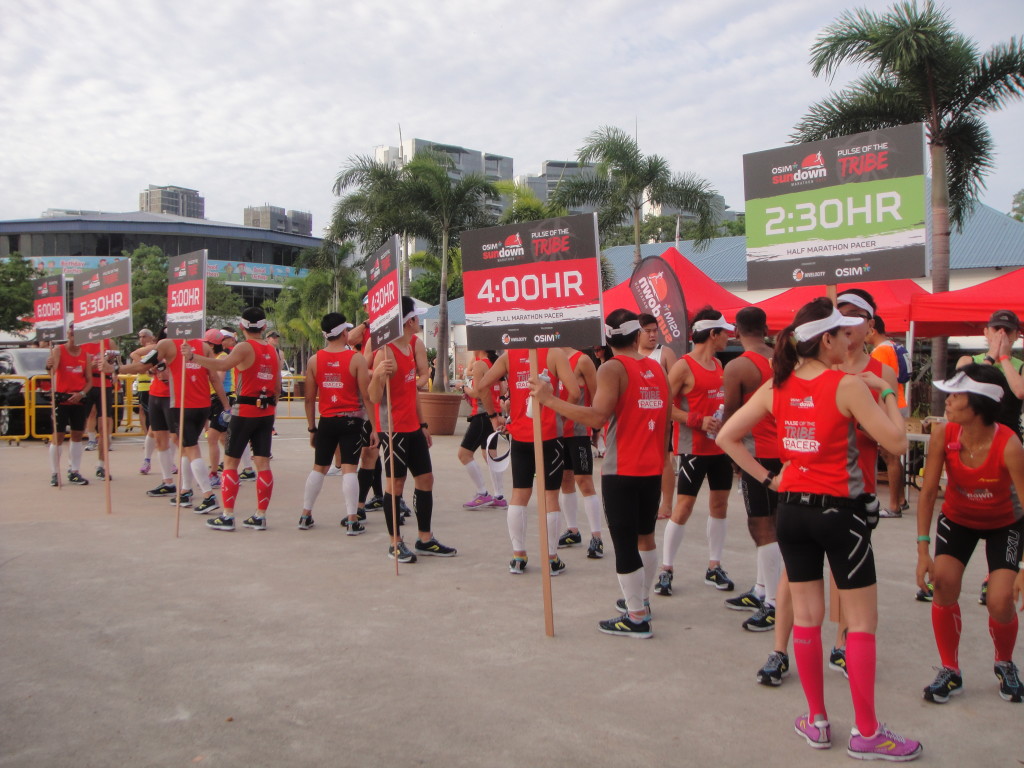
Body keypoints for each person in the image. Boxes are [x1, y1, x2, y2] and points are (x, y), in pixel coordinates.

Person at [717, 297, 921, 761]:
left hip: (791, 512)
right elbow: (897, 443)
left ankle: (817, 721)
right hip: (840, 515)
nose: (851, 341)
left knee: (806, 619)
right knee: (862, 622)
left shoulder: (777, 386)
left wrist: (770, 477)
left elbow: (727, 436)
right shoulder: (847, 386)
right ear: (825, 339)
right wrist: (886, 393)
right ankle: (867, 732)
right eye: (843, 334)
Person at [531, 309, 669, 637]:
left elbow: (596, 418)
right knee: (645, 537)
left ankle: (636, 617)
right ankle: (643, 601)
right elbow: (665, 425)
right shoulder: (657, 368)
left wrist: (550, 400)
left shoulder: (612, 367)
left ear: (607, 340)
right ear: (637, 335)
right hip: (651, 467)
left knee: (624, 543)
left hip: (622, 469)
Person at [916, 364, 1024, 704]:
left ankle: (1004, 663)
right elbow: (929, 491)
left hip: (1004, 523)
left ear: (979, 403)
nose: (947, 401)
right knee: (944, 584)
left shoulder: (1009, 445)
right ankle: (950, 670)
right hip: (958, 519)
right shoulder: (942, 435)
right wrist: (922, 550)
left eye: (956, 395)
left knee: (1000, 600)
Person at [475, 343, 579, 575]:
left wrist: (494, 416)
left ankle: (518, 556)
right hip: (549, 434)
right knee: (550, 495)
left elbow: (482, 386)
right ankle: (551, 558)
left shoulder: (510, 355)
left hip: (520, 434)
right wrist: (561, 414)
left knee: (520, 494)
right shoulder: (555, 353)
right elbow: (575, 391)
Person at [367, 297, 456, 562]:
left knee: (426, 479)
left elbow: (412, 393)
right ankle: (395, 543)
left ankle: (425, 538)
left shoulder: (410, 348)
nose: (418, 321)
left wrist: (423, 425)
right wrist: (379, 374)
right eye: (416, 317)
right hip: (393, 429)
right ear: (409, 321)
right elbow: (373, 397)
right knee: (395, 483)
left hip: (412, 427)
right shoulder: (385, 353)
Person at [655, 307, 734, 597]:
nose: (728, 337)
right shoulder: (684, 366)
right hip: (693, 449)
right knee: (684, 508)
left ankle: (714, 566)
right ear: (712, 334)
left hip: (720, 447)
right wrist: (696, 420)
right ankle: (666, 570)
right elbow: (664, 405)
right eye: (724, 332)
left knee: (720, 506)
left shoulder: (720, 365)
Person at [183, 307, 280, 531]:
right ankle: (260, 515)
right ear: (264, 327)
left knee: (230, 463)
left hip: (244, 410)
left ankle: (227, 515)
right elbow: (276, 387)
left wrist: (193, 357)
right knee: (262, 463)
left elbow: (223, 365)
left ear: (241, 326)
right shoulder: (272, 350)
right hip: (265, 412)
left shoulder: (244, 346)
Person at [721, 306, 782, 632]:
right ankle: (762, 589)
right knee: (772, 524)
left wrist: (733, 454)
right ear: (766, 327)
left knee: (762, 526)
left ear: (735, 330)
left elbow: (731, 414)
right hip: (784, 451)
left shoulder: (739, 367)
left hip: (757, 454)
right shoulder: (782, 360)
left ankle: (773, 602)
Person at [299, 313, 375, 533]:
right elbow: (367, 396)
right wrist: (375, 428)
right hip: (352, 420)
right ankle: (352, 520)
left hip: (327, 420)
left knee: (319, 468)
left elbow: (308, 398)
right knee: (350, 469)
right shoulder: (356, 358)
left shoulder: (315, 360)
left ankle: (306, 514)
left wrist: (312, 427)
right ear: (344, 332)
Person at [555, 347, 605, 559]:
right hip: (556, 431)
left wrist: (597, 430)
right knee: (565, 480)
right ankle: (573, 530)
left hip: (578, 430)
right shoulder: (548, 358)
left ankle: (597, 537)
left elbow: (597, 396)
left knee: (584, 482)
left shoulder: (582, 360)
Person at [867, 315, 911, 516]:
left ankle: (893, 506)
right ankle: (901, 499)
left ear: (872, 330)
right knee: (894, 456)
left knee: (890, 456)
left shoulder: (880, 351)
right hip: (899, 402)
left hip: (888, 405)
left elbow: (877, 381)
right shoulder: (894, 346)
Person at [637, 313, 678, 520]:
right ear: (639, 332)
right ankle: (643, 501)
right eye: (648, 331)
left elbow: (675, 387)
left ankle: (667, 504)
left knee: (663, 458)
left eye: (655, 330)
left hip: (660, 414)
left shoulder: (665, 353)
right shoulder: (632, 353)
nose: (653, 335)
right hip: (637, 416)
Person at [458, 350, 507, 509]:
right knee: (490, 455)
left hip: (481, 414)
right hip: (492, 412)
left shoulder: (480, 364)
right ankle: (499, 496)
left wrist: (463, 387)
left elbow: (478, 392)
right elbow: (503, 389)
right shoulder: (495, 364)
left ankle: (483, 493)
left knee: (464, 454)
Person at [44, 323, 91, 486]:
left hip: (78, 399)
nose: (74, 334)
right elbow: (53, 370)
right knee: (58, 436)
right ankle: (55, 473)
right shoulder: (59, 350)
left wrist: (81, 394)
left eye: (77, 332)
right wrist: (48, 365)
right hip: (61, 399)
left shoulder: (86, 355)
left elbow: (89, 381)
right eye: (72, 331)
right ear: (68, 333)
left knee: (77, 435)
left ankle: (74, 471)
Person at [131, 328, 156, 472]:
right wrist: (143, 365)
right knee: (144, 412)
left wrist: (144, 365)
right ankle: (148, 438)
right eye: (139, 337)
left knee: (152, 417)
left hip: (152, 386)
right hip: (143, 385)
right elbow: (134, 355)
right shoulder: (143, 350)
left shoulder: (155, 347)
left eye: (143, 336)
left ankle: (151, 439)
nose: (141, 339)